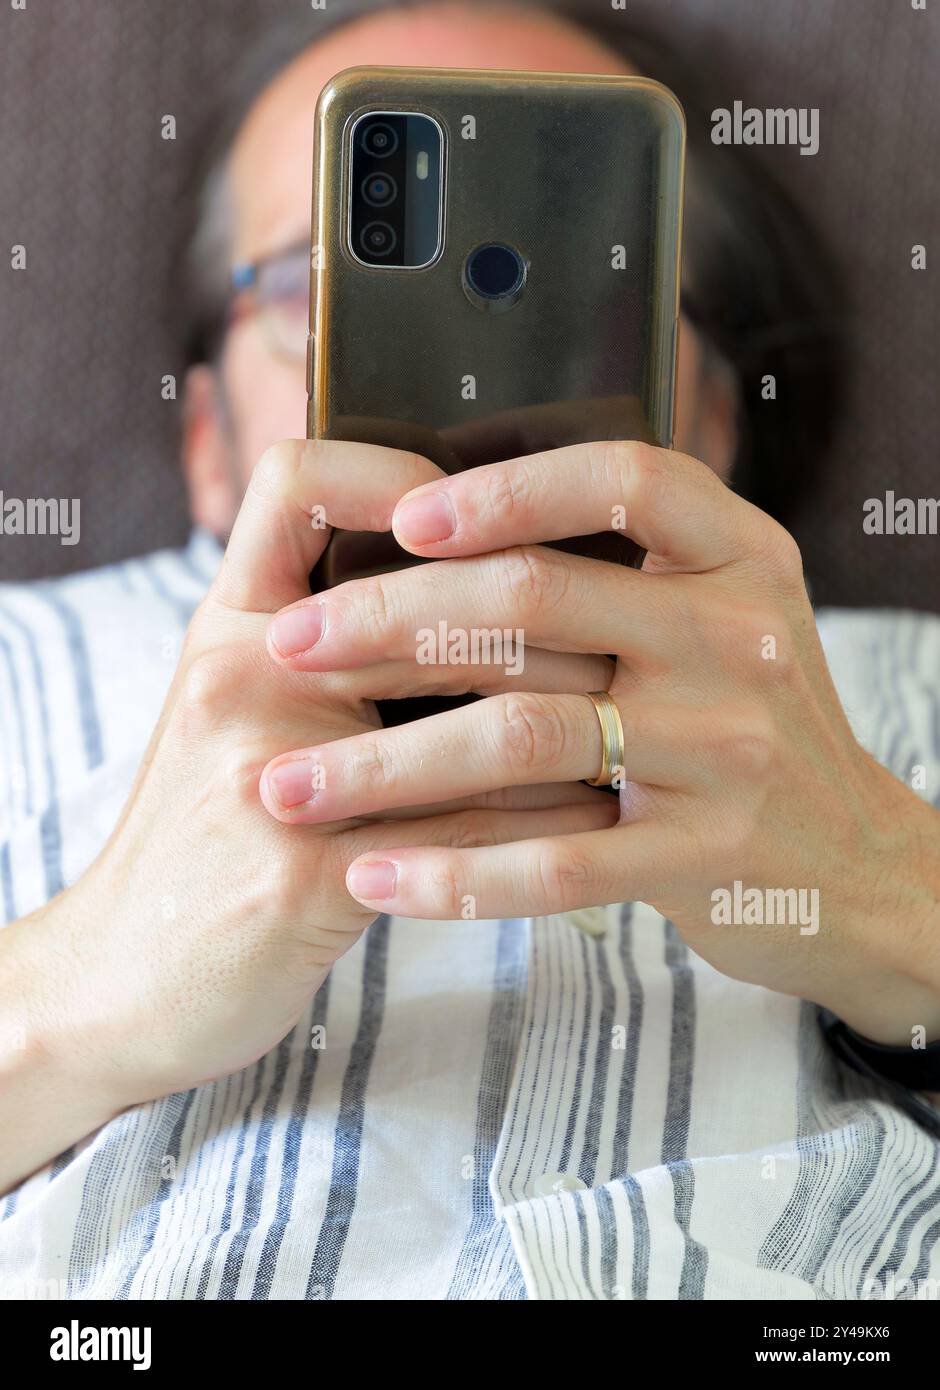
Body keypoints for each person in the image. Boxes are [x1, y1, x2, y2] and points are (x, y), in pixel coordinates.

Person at [1, 0, 938, 1301]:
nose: (463, 364)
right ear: (205, 437)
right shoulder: (17, 652)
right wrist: (68, 992)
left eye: (577, 282)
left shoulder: (914, 682)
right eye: (315, 280)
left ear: (714, 419)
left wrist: (900, 896)